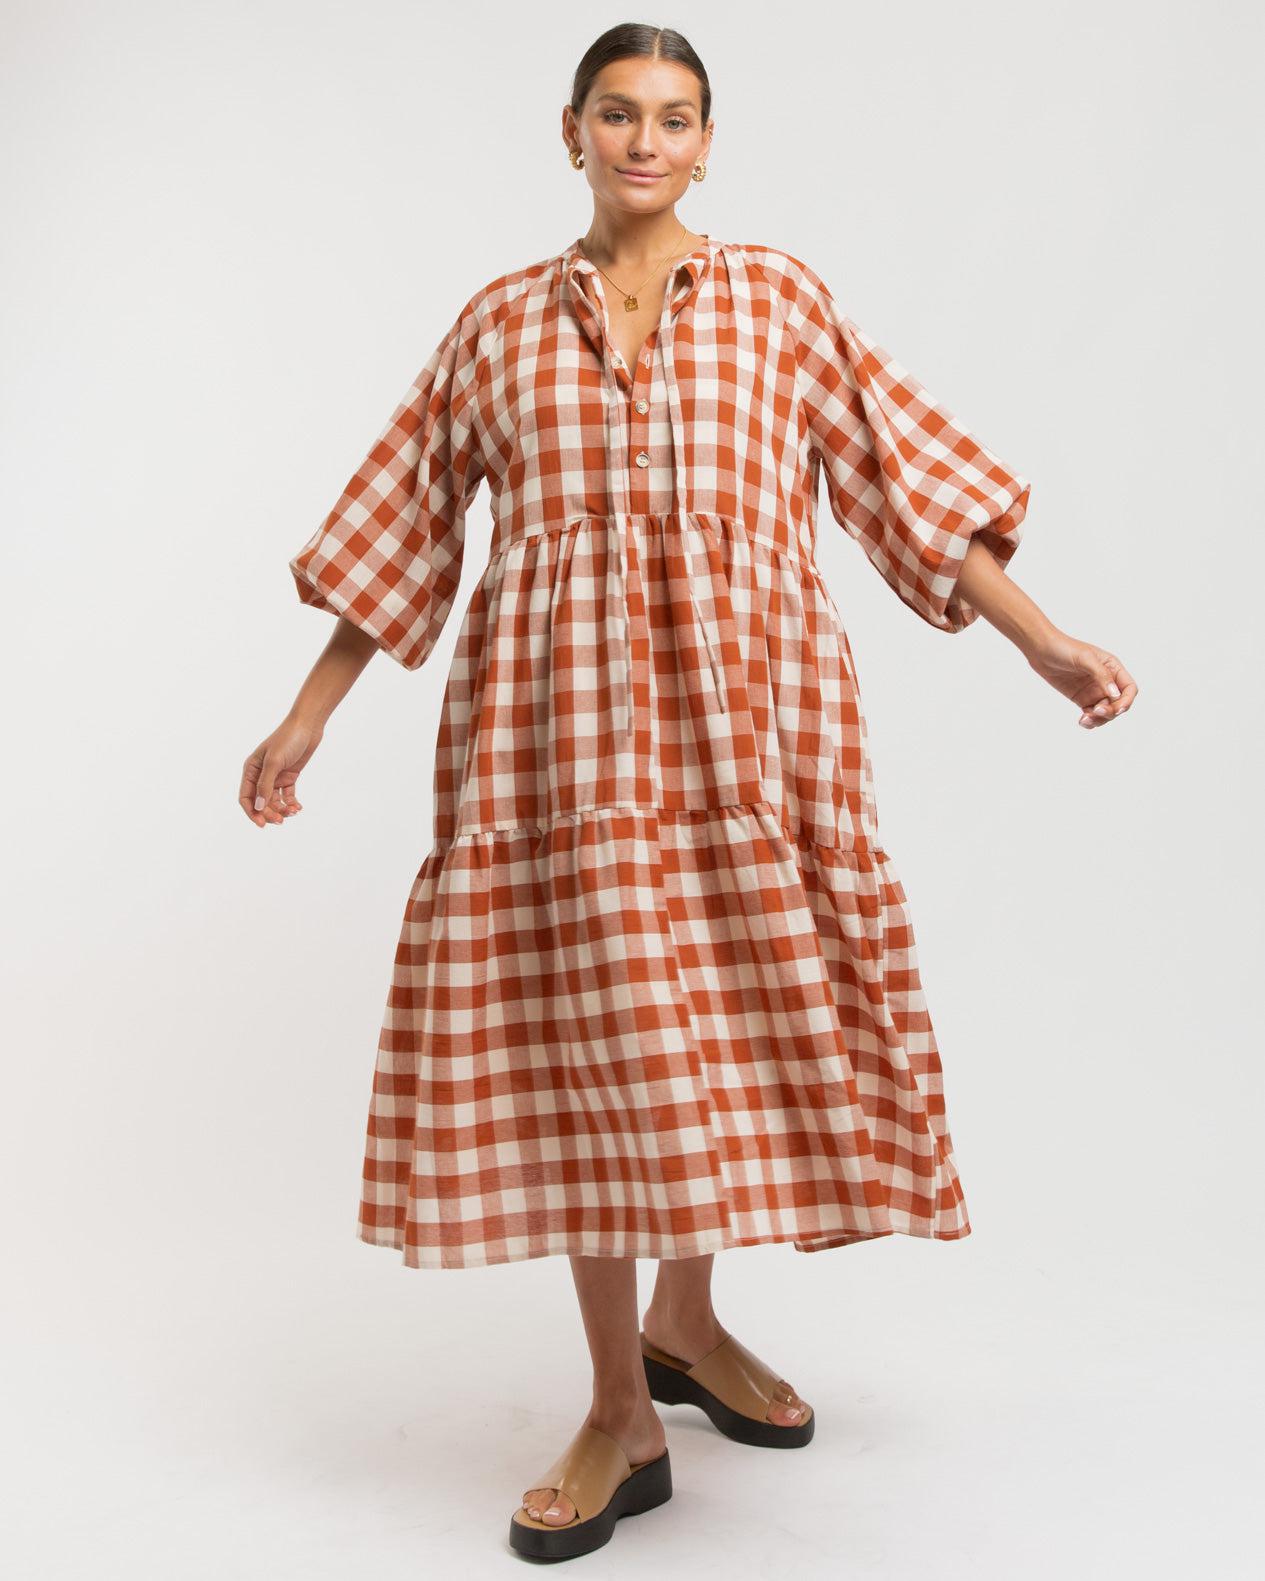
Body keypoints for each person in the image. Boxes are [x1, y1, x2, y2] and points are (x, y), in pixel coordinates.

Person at [240, 22, 1137, 1563]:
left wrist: (1043, 640)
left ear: (707, 144)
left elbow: (902, 484)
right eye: (617, 114)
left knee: (707, 1024)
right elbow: (404, 531)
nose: (644, 141)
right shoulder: (495, 327)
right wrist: (304, 717)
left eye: (673, 118)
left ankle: (686, 1322)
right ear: (570, 132)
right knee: (591, 1049)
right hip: (554, 743)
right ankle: (618, 1406)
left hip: (751, 733)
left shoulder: (779, 300)